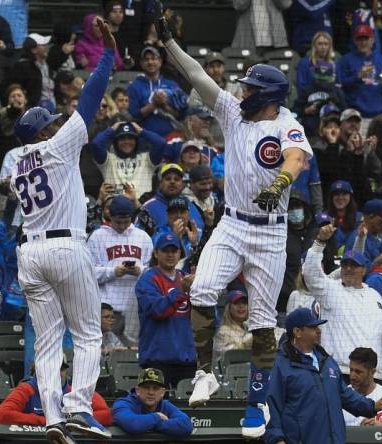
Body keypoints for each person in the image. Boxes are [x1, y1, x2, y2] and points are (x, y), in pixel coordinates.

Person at [156, 19, 312, 439]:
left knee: (262, 321)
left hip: (271, 232)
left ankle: (257, 403)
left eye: (249, 88)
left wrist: (280, 183)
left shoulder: (286, 123)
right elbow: (196, 74)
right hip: (232, 223)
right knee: (202, 290)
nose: (241, 92)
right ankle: (205, 372)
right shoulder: (231, 112)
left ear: (267, 95)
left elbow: (296, 159)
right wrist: (169, 41)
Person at [7, 17, 115, 443]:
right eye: (50, 122)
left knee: (49, 343)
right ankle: (79, 410)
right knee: (88, 333)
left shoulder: (16, 163)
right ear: (42, 132)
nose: (57, 124)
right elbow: (89, 100)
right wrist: (107, 55)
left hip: (30, 253)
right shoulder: (56, 147)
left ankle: (52, 415)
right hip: (65, 248)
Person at [264, 307, 382, 444]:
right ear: (297, 332)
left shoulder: (327, 361)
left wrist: (370, 406)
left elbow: (344, 394)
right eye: (313, 327)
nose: (319, 330)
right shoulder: (281, 365)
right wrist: (277, 439)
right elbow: (272, 405)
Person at [304, 225, 382, 383]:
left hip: (374, 375)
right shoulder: (331, 290)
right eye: (345, 265)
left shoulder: (375, 296)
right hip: (340, 371)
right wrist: (319, 243)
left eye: (354, 265)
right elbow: (311, 275)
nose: (349, 269)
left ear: (364, 270)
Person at [87, 196, 153, 346]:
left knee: (133, 357)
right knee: (108, 358)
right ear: (110, 215)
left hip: (135, 310)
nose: (122, 226)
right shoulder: (97, 237)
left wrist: (139, 271)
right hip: (109, 311)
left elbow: (153, 273)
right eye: (118, 222)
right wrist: (115, 272)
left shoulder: (142, 237)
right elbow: (89, 275)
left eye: (126, 221)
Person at [134, 232, 195, 386]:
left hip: (187, 359)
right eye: (165, 251)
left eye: (174, 251)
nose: (170, 255)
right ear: (156, 253)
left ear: (180, 253)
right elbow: (157, 311)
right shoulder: (148, 279)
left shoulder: (187, 279)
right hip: (157, 360)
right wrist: (180, 291)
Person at [0, 357, 112, 427]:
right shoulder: (26, 390)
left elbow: (107, 415)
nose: (57, 373)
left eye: (61, 369)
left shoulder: (76, 391)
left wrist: (72, 421)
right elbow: (2, 415)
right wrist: (48, 421)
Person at [112, 368, 193, 438]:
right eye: (146, 387)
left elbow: (186, 425)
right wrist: (157, 417)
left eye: (155, 388)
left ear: (162, 392)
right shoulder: (123, 403)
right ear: (137, 390)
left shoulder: (165, 404)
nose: (151, 392)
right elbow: (133, 425)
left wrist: (148, 424)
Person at [127, 46, 188, 138]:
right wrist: (154, 105)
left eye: (153, 58)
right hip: (144, 138)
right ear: (141, 63)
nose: (150, 62)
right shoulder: (134, 86)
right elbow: (133, 116)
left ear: (160, 62)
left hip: (170, 138)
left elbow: (180, 115)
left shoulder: (172, 85)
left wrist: (164, 106)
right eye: (146, 59)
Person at [336, 25, 382, 122]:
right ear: (354, 41)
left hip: (379, 114)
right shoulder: (346, 60)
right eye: (359, 39)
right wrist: (356, 77)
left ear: (372, 40)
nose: (363, 42)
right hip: (356, 116)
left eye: (366, 39)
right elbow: (340, 86)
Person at [213, 289, 251, 363]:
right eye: (236, 303)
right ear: (228, 308)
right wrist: (250, 340)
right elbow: (230, 356)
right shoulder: (223, 331)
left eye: (244, 303)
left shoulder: (248, 327)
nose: (241, 306)